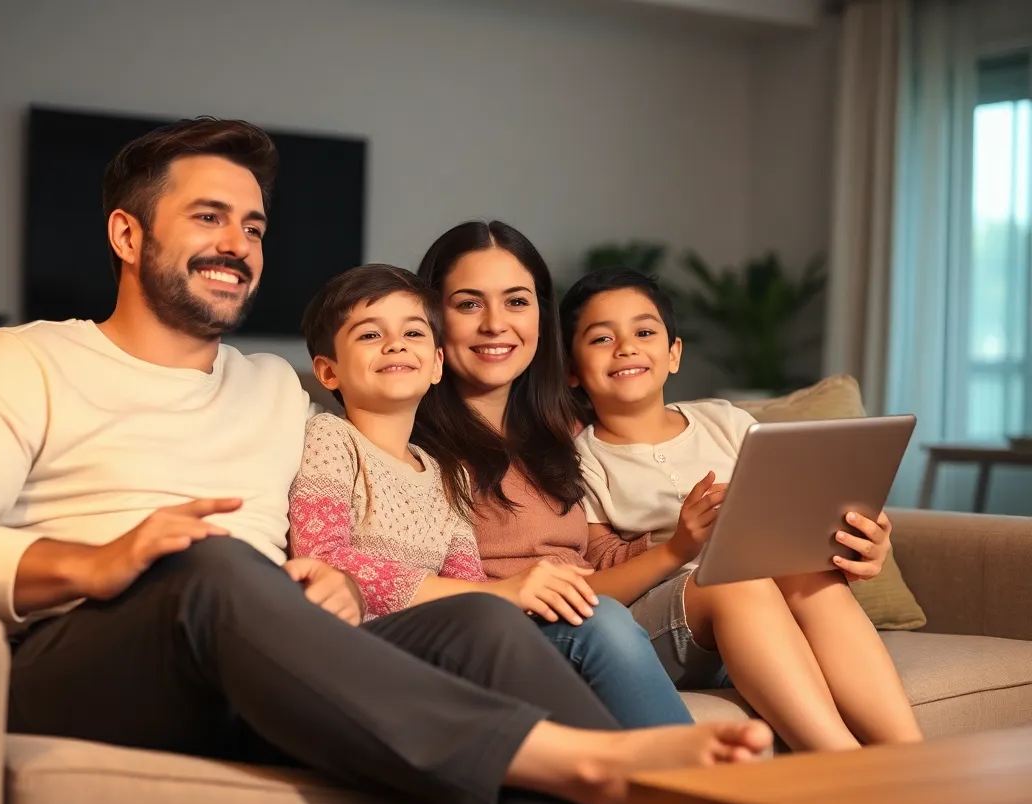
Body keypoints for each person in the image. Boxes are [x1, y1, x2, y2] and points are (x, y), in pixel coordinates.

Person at [0, 118, 770, 804]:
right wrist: (92, 563)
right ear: (126, 235)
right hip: (84, 656)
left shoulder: (275, 392)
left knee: (481, 627)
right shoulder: (31, 360)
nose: (239, 242)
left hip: (254, 655)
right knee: (205, 566)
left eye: (252, 225)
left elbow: (361, 503)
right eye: (207, 217)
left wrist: (330, 575)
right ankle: (589, 761)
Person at [290, 263, 684, 733]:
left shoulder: (444, 472)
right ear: (328, 371)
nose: (395, 344)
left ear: (436, 364)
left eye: (413, 333)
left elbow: (469, 584)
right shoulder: (331, 438)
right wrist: (499, 593)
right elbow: (324, 558)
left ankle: (659, 774)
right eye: (370, 335)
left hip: (453, 636)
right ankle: (683, 780)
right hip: (371, 641)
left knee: (596, 619)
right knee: (585, 626)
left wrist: (515, 595)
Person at [556, 265, 924, 752]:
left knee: (809, 574)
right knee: (735, 578)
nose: (626, 347)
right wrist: (682, 545)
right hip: (670, 627)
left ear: (674, 354)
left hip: (766, 624)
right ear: (572, 371)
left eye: (644, 332)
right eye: (602, 338)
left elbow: (800, 518)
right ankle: (843, 761)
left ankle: (912, 756)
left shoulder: (724, 421)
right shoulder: (581, 460)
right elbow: (598, 581)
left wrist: (856, 546)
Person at [411, 220, 694, 731]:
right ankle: (698, 792)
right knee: (600, 619)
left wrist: (697, 531)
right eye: (469, 303)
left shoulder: (568, 428)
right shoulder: (404, 433)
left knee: (744, 589)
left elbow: (607, 551)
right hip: (501, 631)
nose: (496, 324)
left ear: (542, 315)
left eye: (517, 301)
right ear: (432, 315)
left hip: (594, 615)